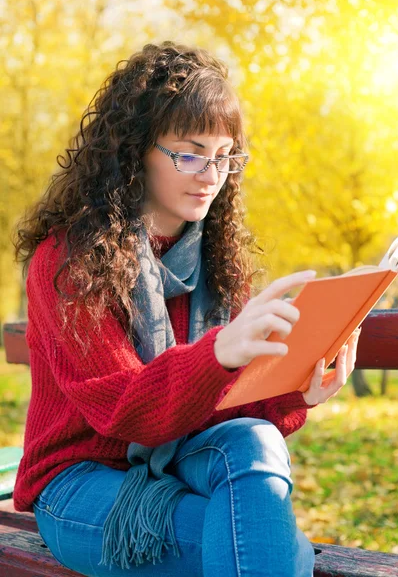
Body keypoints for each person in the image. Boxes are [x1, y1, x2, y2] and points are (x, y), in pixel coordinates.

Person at [12, 41, 360, 577]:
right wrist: (218, 352)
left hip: (182, 461)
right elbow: (124, 409)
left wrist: (295, 391)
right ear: (134, 151)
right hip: (79, 481)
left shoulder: (218, 264)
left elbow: (226, 409)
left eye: (225, 157)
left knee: (255, 443)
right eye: (191, 152)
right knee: (263, 543)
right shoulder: (69, 262)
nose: (210, 174)